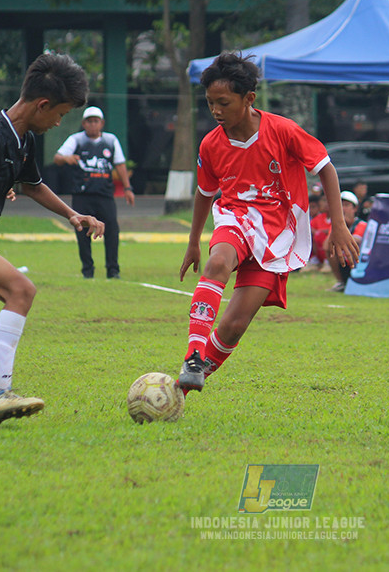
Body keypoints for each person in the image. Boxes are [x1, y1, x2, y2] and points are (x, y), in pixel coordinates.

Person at [176, 52, 359, 393]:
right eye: (210, 103)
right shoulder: (211, 144)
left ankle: (178, 392)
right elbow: (205, 192)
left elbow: (326, 168)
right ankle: (193, 355)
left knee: (234, 325)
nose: (216, 111)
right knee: (218, 261)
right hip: (234, 217)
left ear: (249, 99)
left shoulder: (283, 130)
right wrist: (193, 240)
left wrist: (338, 225)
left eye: (224, 103)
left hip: (277, 234)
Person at [0, 53, 105, 425]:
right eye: (60, 114)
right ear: (42, 105)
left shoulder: (23, 139)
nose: (58, 122)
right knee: (20, 290)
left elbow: (31, 185)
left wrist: (72, 214)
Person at [54, 106, 135, 278]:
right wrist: (67, 158)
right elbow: (58, 158)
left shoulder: (110, 141)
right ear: (83, 123)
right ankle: (87, 271)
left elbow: (120, 164)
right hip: (82, 195)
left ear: (102, 123)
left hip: (105, 195)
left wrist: (127, 188)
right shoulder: (76, 140)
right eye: (89, 121)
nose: (92, 125)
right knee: (82, 233)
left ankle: (113, 270)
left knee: (112, 231)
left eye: (95, 121)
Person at [326, 190, 368, 292]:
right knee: (330, 249)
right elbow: (326, 245)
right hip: (344, 263)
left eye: (346, 205)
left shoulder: (361, 224)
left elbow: (355, 241)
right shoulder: (335, 226)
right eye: (340, 206)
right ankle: (341, 282)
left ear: (355, 208)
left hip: (359, 264)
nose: (343, 209)